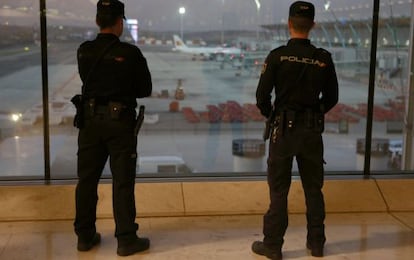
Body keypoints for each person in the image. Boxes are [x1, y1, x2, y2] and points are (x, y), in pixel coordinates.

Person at [252, 1, 338, 259]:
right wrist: (314, 113)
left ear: (289, 24)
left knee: (279, 189)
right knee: (314, 189)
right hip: (311, 132)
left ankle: (273, 245)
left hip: (283, 131)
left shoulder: (277, 56)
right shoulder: (323, 58)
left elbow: (261, 96)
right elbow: (332, 97)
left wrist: (274, 115)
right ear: (312, 25)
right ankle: (317, 243)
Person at [74, 0, 152, 257]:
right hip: (120, 125)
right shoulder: (130, 54)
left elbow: (88, 80)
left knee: (86, 181)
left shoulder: (84, 51)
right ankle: (126, 238)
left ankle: (85, 236)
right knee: (122, 182)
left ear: (98, 20)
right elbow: (145, 90)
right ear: (120, 21)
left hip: (90, 122)